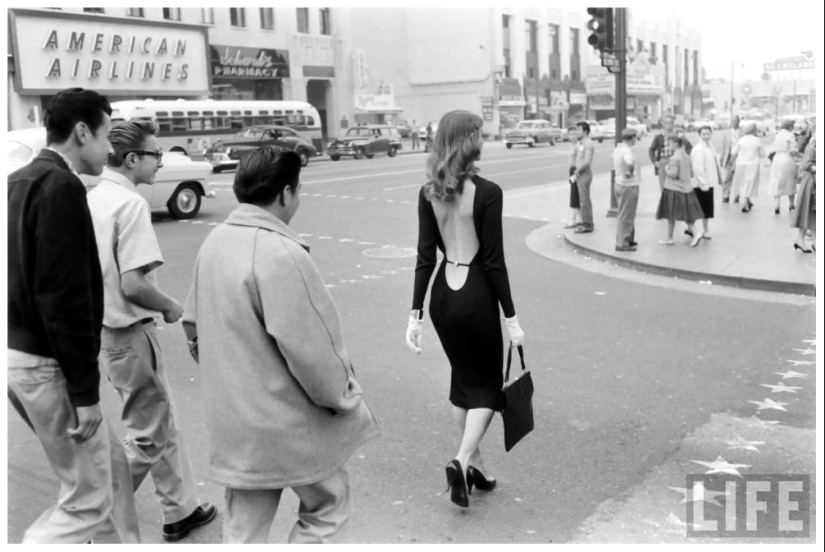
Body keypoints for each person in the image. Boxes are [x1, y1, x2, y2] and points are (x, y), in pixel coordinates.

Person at [182, 146, 380, 543]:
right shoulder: (282, 253)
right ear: (287, 193)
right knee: (328, 507)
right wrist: (344, 399)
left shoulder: (215, 242)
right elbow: (315, 353)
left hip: (236, 425)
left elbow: (193, 326)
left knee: (244, 529)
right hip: (288, 424)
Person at [7, 87, 140, 544]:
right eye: (106, 137)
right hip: (49, 368)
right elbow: (63, 300)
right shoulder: (62, 187)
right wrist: (85, 393)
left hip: (21, 359)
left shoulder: (21, 180)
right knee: (87, 502)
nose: (110, 150)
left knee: (109, 472)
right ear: (82, 132)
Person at [86, 121, 217, 542]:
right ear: (131, 159)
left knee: (162, 423)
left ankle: (181, 510)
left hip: (106, 333)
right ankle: (91, 520)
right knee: (148, 436)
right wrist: (172, 306)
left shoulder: (90, 198)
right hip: (131, 331)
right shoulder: (129, 204)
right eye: (155, 155)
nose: (160, 162)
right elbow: (134, 284)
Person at [406, 111, 525, 509]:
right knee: (489, 388)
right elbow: (494, 262)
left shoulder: (429, 192)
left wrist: (415, 315)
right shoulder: (489, 192)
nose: (483, 139)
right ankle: (460, 460)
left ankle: (478, 469)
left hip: (443, 295)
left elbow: (425, 258)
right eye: (478, 134)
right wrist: (512, 319)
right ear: (469, 140)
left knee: (462, 382)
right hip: (475, 294)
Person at [656, 135, 704, 246]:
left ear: (675, 144)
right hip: (686, 188)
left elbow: (673, 174)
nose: (669, 146)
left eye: (670, 143)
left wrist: (667, 169)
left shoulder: (674, 158)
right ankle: (669, 238)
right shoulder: (687, 156)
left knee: (673, 214)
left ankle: (695, 233)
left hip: (673, 189)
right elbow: (691, 173)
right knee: (677, 214)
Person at [689, 126, 722, 241]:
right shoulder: (698, 149)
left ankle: (705, 230)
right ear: (700, 135)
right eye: (704, 134)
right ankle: (695, 229)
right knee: (699, 208)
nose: (706, 136)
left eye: (708, 134)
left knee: (706, 208)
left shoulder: (710, 146)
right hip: (700, 184)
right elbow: (698, 168)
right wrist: (703, 184)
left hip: (708, 182)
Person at [612, 128, 640, 251]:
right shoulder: (627, 151)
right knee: (626, 215)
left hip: (618, 183)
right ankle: (622, 243)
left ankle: (628, 238)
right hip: (628, 186)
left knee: (624, 212)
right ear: (632, 138)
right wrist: (630, 172)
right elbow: (630, 162)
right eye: (635, 138)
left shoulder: (617, 149)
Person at [649, 114, 692, 192]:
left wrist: (685, 158)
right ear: (662, 123)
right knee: (664, 185)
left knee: (678, 183)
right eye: (666, 123)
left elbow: (689, 147)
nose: (668, 125)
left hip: (677, 161)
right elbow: (651, 149)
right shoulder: (659, 137)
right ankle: (665, 202)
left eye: (670, 123)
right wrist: (655, 161)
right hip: (663, 161)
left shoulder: (679, 135)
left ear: (673, 123)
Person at [731, 123, 765, 213]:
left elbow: (733, 152)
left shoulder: (741, 140)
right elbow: (762, 154)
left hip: (740, 163)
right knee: (750, 183)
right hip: (752, 163)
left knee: (742, 183)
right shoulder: (757, 140)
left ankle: (747, 201)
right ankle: (745, 202)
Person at [791, 132, 816, 253]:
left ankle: (805, 240)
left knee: (811, 213)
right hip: (811, 182)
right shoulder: (811, 147)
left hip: (813, 181)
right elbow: (806, 166)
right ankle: (803, 240)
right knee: (809, 211)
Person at [769, 119, 799, 214]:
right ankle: (791, 205)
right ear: (790, 127)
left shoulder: (778, 135)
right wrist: (800, 157)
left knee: (776, 182)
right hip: (787, 160)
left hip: (777, 159)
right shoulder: (790, 135)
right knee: (790, 182)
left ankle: (777, 205)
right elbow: (793, 150)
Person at [571, 120, 595, 233]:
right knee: (582, 199)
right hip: (579, 174)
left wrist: (578, 171)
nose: (577, 132)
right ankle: (585, 221)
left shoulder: (588, 143)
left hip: (584, 174)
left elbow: (587, 161)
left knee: (584, 200)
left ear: (585, 131)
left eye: (579, 130)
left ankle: (588, 224)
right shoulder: (579, 143)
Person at [719, 115, 742, 202]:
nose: (734, 122)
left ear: (739, 122)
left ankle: (737, 196)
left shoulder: (743, 132)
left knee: (738, 178)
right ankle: (725, 195)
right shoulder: (727, 133)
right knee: (726, 178)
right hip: (729, 157)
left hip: (739, 157)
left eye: (736, 121)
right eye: (733, 121)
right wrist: (721, 158)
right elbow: (724, 147)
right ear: (731, 122)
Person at [565, 125, 582, 229]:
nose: (572, 136)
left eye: (574, 134)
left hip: (576, 170)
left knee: (574, 195)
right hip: (572, 170)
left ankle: (572, 220)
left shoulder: (579, 146)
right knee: (576, 194)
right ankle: (581, 219)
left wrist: (576, 174)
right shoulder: (571, 145)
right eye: (570, 134)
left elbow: (580, 161)